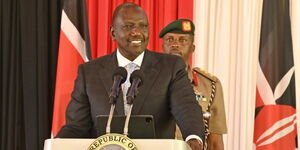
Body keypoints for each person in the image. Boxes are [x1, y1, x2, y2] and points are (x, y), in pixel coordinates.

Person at [56, 3, 205, 150]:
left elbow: (186, 107)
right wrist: (56, 145)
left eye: (143, 26)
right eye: (128, 26)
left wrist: (193, 138)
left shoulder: (171, 67)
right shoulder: (89, 72)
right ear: (113, 33)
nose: (137, 32)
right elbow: (76, 127)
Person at [160, 19, 227, 150]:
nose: (175, 45)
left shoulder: (210, 85)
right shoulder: (146, 80)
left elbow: (214, 140)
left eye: (182, 40)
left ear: (192, 48)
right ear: (162, 46)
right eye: (170, 40)